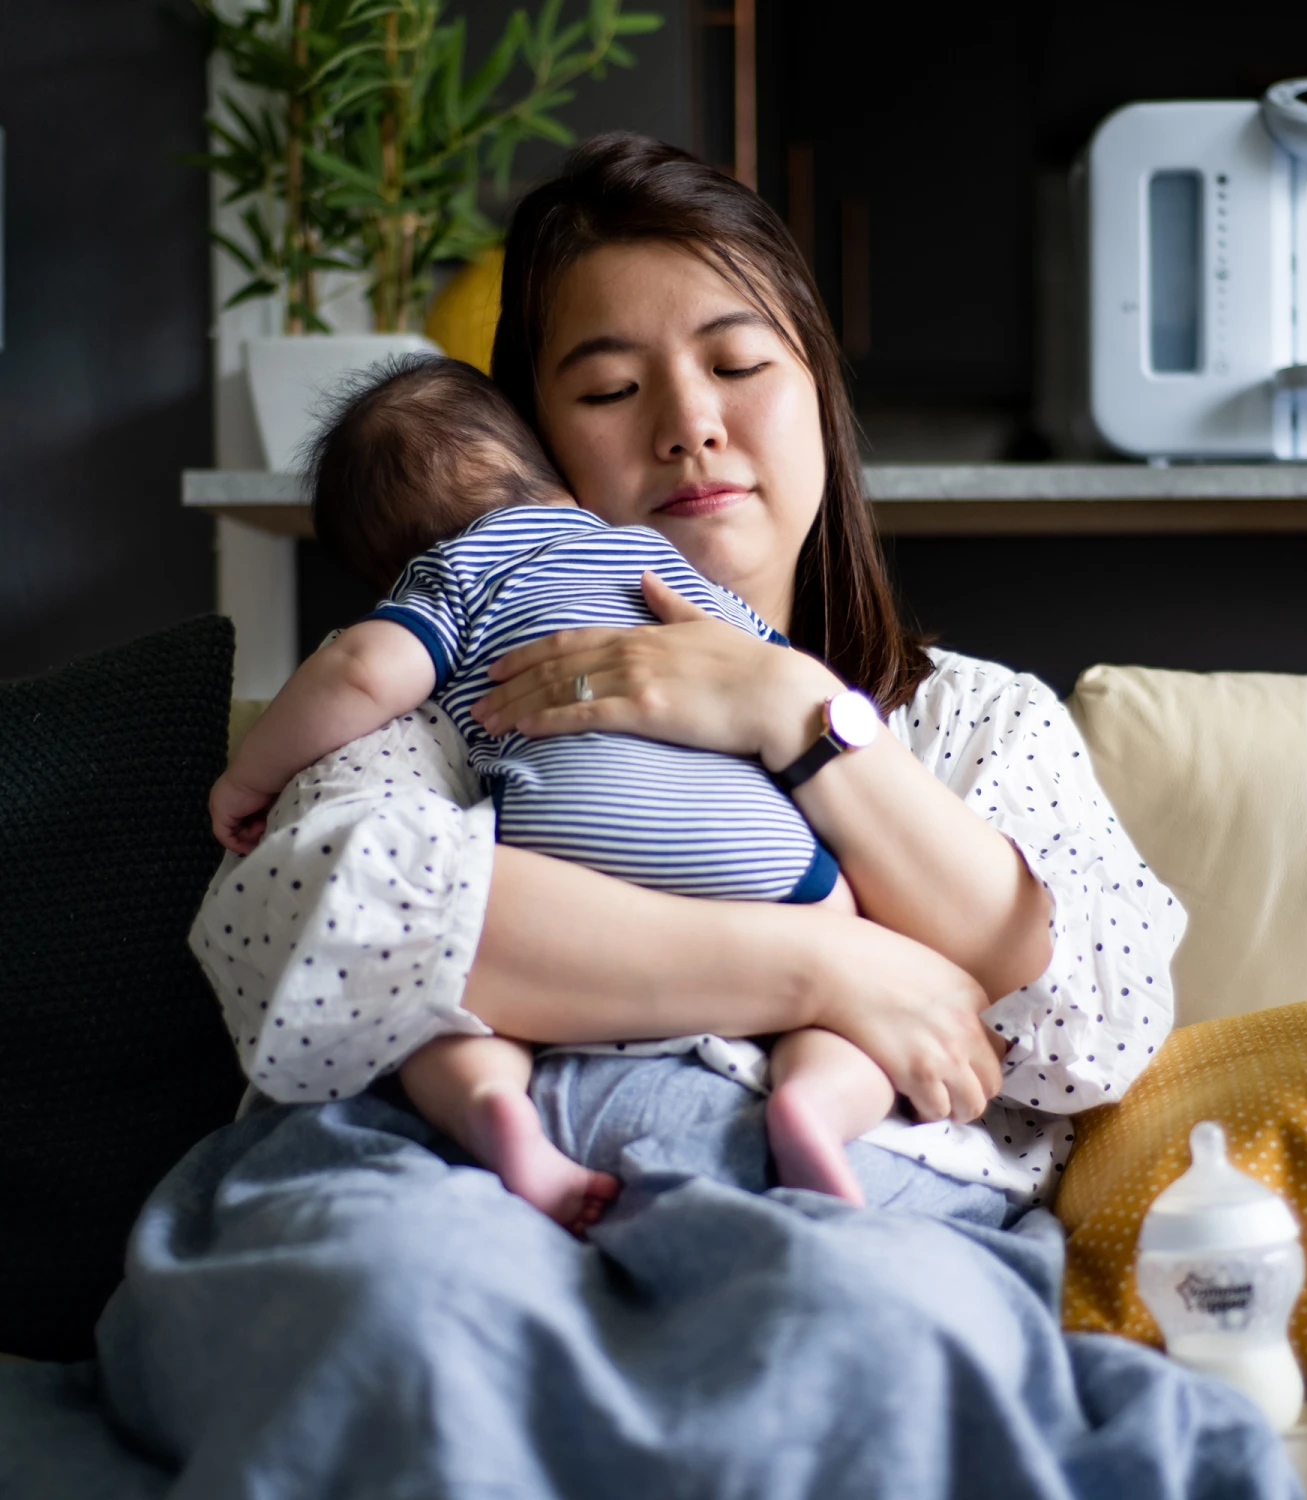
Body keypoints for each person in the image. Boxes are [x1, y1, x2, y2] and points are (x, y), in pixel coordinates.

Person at [98, 134, 1303, 1500]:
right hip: (447, 1176)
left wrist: (794, 713)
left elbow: (1091, 1019)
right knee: (410, 1311)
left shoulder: (975, 721)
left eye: (738, 365)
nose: (688, 424)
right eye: (610, 389)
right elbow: (327, 925)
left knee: (860, 1335)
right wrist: (828, 967)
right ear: (532, 448)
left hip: (839, 1198)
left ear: (819, 398)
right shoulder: (454, 682)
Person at [208, 354, 917, 1227]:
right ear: (552, 473)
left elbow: (361, 671)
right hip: (757, 852)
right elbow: (780, 673)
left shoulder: (452, 571)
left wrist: (249, 775)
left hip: (567, 852)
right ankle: (815, 1106)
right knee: (856, 978)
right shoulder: (654, 556)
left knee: (438, 992)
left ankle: (491, 1105)